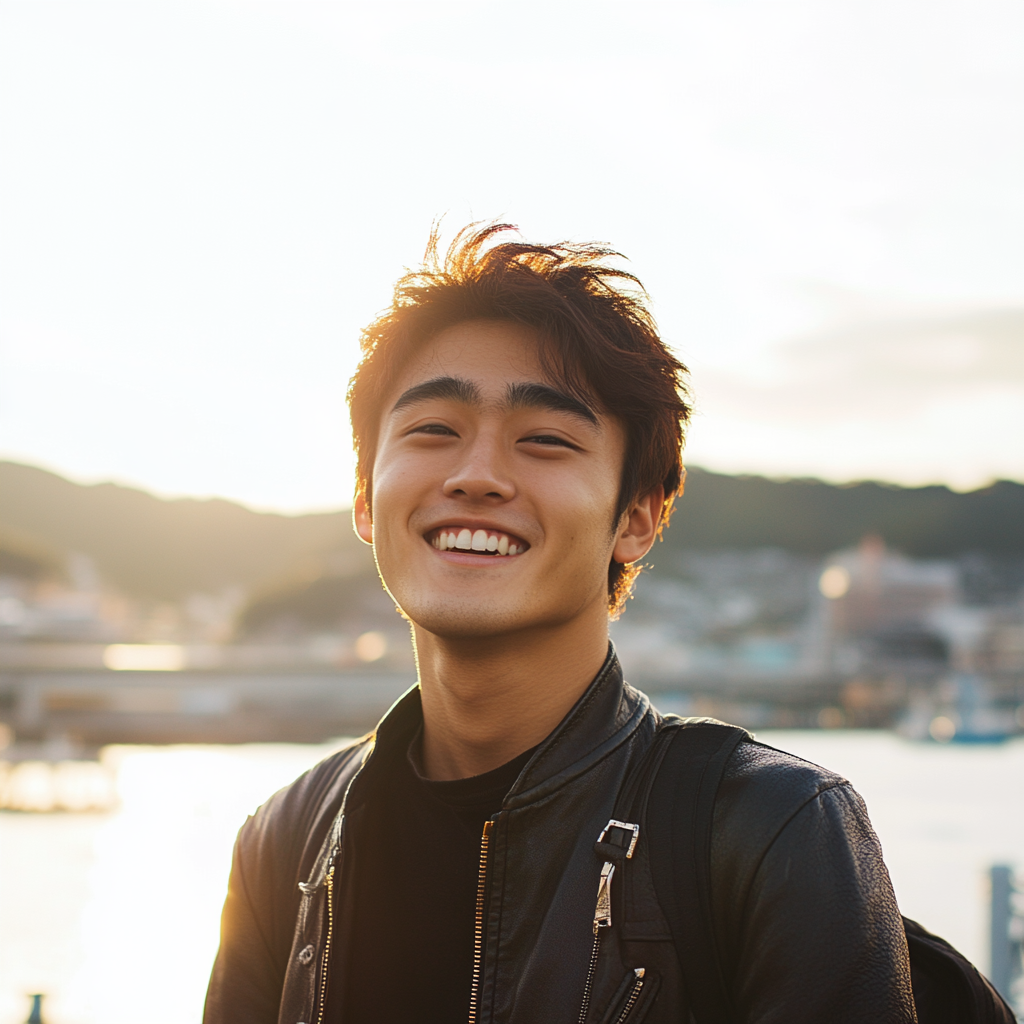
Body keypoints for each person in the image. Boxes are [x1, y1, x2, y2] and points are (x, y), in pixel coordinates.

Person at [203, 223, 916, 1023]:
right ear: (367, 496)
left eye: (544, 440)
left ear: (636, 520)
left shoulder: (771, 831)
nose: (476, 477)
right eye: (433, 430)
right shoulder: (284, 841)